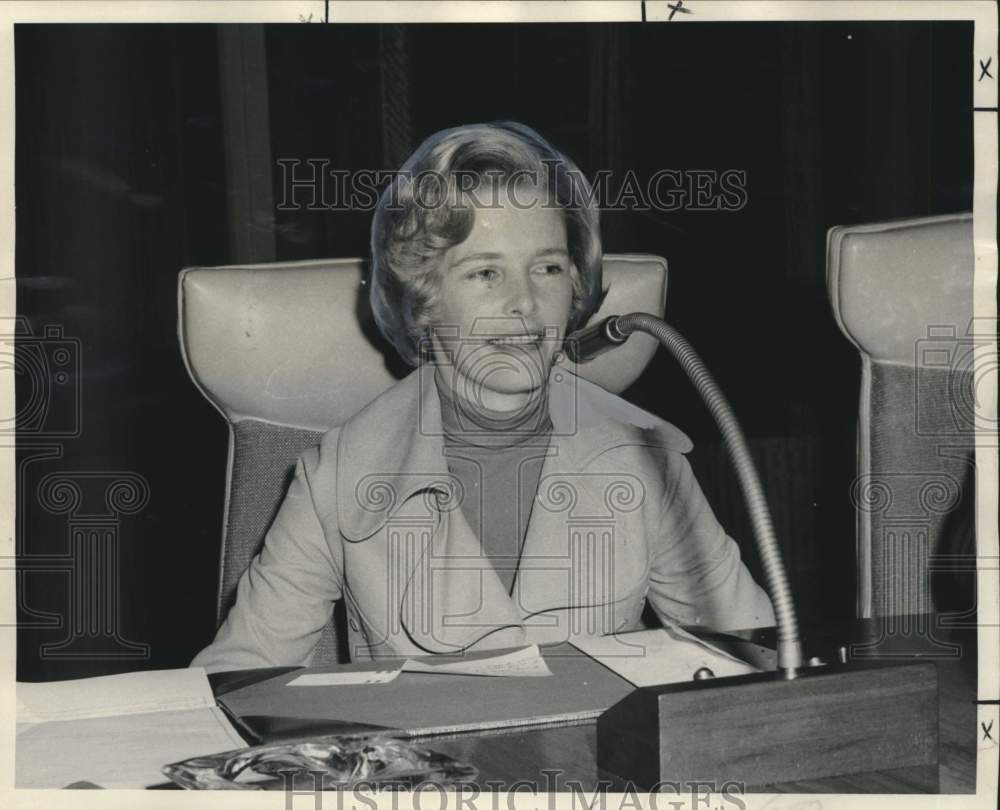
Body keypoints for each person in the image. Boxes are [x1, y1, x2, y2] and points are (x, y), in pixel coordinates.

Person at [192, 122, 774, 672]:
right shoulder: (337, 475)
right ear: (424, 296)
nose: (524, 302)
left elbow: (750, 657)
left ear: (575, 285)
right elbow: (238, 679)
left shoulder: (647, 459)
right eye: (485, 274)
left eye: (547, 267)